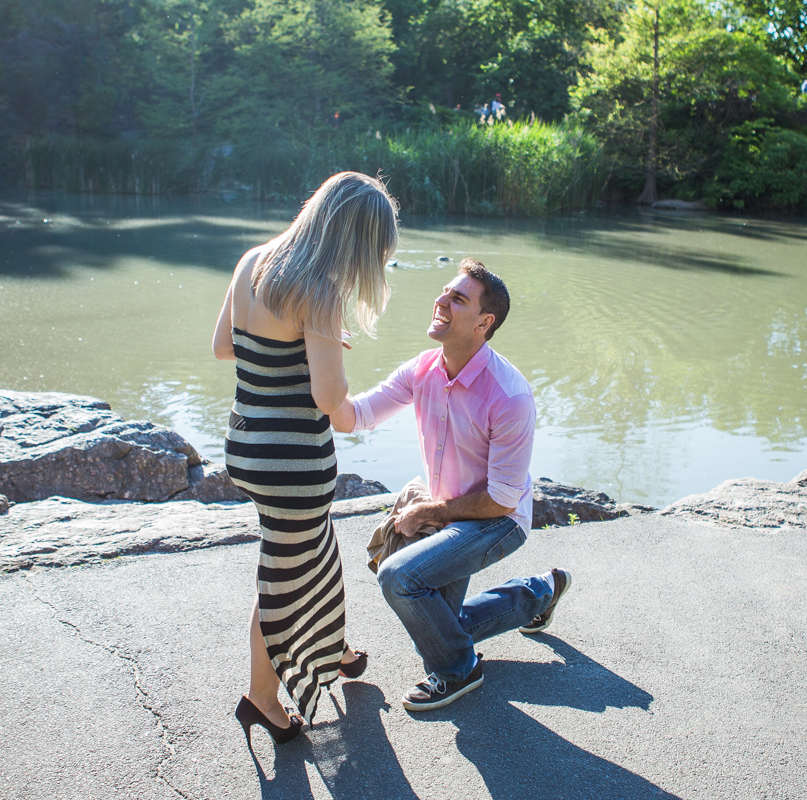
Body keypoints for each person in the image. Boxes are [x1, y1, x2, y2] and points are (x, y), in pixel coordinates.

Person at [333, 258, 570, 712]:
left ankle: (458, 669)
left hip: (497, 520)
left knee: (400, 578)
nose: (441, 300)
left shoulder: (509, 396)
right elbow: (355, 416)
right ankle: (540, 592)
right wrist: (318, 360)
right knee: (445, 619)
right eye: (445, 291)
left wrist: (429, 513)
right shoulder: (423, 369)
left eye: (457, 299)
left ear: (484, 322)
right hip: (453, 513)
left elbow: (501, 500)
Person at [212, 172, 399, 745]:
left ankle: (332, 648)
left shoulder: (253, 261)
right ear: (354, 240)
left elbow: (225, 347)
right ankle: (261, 698)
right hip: (291, 459)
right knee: (283, 576)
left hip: (246, 442)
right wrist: (328, 356)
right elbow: (328, 397)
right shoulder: (319, 290)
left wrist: (303, 344)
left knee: (314, 549)